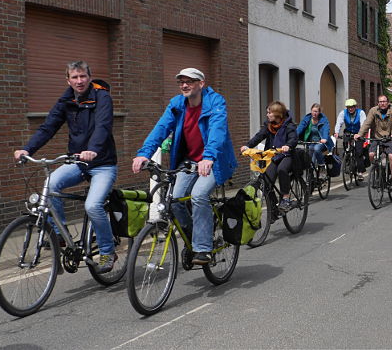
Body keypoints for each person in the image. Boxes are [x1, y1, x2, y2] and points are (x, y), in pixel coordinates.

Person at [13, 61, 118, 273]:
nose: (79, 81)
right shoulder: (66, 99)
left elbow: (103, 125)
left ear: (89, 77)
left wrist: (94, 149)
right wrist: (27, 149)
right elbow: (48, 126)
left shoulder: (102, 97)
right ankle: (61, 236)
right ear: (68, 80)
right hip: (77, 162)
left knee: (92, 206)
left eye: (82, 77)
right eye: (74, 77)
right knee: (49, 186)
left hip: (102, 163)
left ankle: (108, 251)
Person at [132, 68, 237, 266]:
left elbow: (218, 130)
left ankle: (203, 248)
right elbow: (161, 128)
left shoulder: (215, 102)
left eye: (189, 81)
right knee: (174, 200)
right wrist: (144, 153)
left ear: (201, 83)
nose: (184, 85)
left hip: (213, 161)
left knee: (198, 195)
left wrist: (208, 157)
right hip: (188, 162)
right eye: (181, 82)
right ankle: (194, 238)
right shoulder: (177, 104)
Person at [241, 101, 296, 212]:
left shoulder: (289, 125)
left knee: (282, 169)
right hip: (273, 155)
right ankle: (274, 209)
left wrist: (288, 146)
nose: (267, 115)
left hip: (286, 155)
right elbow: (259, 136)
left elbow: (293, 138)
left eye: (269, 113)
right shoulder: (268, 125)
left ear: (277, 114)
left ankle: (285, 199)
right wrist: (247, 146)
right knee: (266, 181)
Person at [355, 95, 392, 191]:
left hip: (391, 137)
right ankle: (379, 172)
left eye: (384, 101)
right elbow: (367, 123)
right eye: (380, 101)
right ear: (378, 103)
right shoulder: (373, 110)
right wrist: (360, 134)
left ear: (388, 102)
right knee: (371, 154)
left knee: (391, 156)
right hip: (377, 137)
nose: (382, 103)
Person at [334, 98, 367, 175]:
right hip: (348, 131)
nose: (350, 109)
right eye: (349, 107)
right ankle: (347, 159)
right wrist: (336, 132)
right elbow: (339, 123)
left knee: (359, 152)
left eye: (352, 107)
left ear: (356, 107)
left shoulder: (361, 113)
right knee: (346, 145)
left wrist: (359, 134)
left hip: (359, 132)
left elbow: (363, 124)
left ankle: (360, 172)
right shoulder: (343, 113)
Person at [296, 103, 334, 168]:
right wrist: (294, 136)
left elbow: (326, 129)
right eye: (313, 111)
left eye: (316, 111)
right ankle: (310, 174)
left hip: (321, 142)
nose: (314, 113)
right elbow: (300, 127)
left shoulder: (323, 119)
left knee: (316, 148)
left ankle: (321, 165)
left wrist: (324, 138)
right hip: (311, 142)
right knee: (309, 158)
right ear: (311, 111)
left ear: (319, 112)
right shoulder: (307, 119)